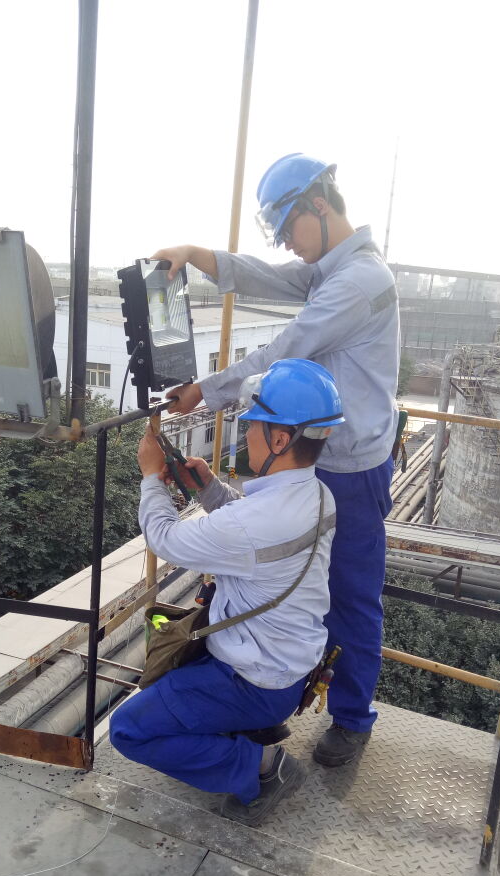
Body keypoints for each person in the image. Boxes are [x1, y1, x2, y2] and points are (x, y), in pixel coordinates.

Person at [151, 153, 399, 767]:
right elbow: (267, 275)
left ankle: (352, 718)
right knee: (288, 587)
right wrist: (196, 253)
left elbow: (287, 350)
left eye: (289, 227)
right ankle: (271, 695)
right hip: (315, 458)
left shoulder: (359, 281)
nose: (288, 243)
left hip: (352, 467)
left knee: (349, 595)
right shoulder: (332, 269)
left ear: (319, 204)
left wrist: (206, 391)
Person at [110, 359, 341, 825]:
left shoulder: (256, 523)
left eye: (253, 424)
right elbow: (256, 535)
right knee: (169, 692)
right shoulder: (318, 495)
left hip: (253, 681)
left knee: (128, 729)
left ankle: (261, 768)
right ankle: (240, 737)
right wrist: (210, 489)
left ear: (280, 439)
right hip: (289, 667)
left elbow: (165, 539)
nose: (246, 432)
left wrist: (151, 476)